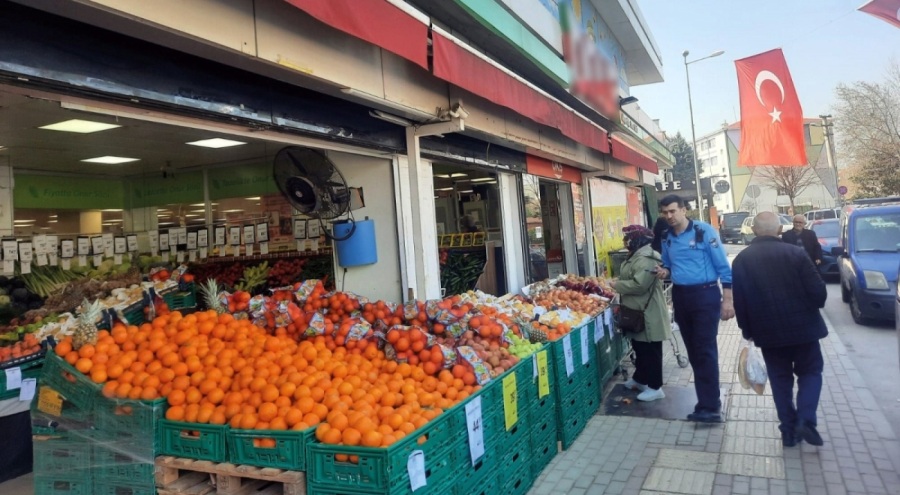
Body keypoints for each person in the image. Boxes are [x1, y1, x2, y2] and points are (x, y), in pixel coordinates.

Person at [732, 212, 827, 447]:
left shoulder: (742, 260)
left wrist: (747, 330)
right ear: (778, 231)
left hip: (768, 333)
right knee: (811, 372)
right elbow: (819, 293)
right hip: (804, 330)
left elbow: (740, 301)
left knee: (780, 380)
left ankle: (788, 431)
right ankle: (805, 418)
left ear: (754, 231)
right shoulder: (795, 254)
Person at [653, 195, 734, 423]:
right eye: (665, 212)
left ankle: (710, 407)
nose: (669, 216)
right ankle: (708, 401)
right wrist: (664, 272)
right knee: (694, 351)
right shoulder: (667, 237)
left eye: (672, 211)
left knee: (705, 350)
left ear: (684, 209)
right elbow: (669, 265)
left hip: (705, 295)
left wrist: (727, 300)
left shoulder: (704, 231)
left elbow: (723, 267)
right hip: (681, 296)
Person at [609, 225, 672, 401]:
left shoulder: (647, 258)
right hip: (637, 310)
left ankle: (655, 387)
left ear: (637, 239)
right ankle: (640, 379)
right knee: (640, 347)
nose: (625, 242)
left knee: (651, 350)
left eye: (627, 238)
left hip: (648, 311)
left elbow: (639, 285)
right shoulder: (636, 255)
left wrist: (617, 285)